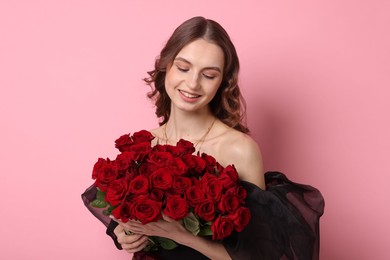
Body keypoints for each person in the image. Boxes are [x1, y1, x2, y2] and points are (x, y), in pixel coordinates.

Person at [82, 16, 324, 260]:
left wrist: (182, 235)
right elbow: (126, 223)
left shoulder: (239, 149)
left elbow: (257, 256)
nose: (193, 83)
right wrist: (125, 234)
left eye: (208, 75)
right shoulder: (143, 147)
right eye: (184, 68)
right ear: (166, 66)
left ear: (222, 82)